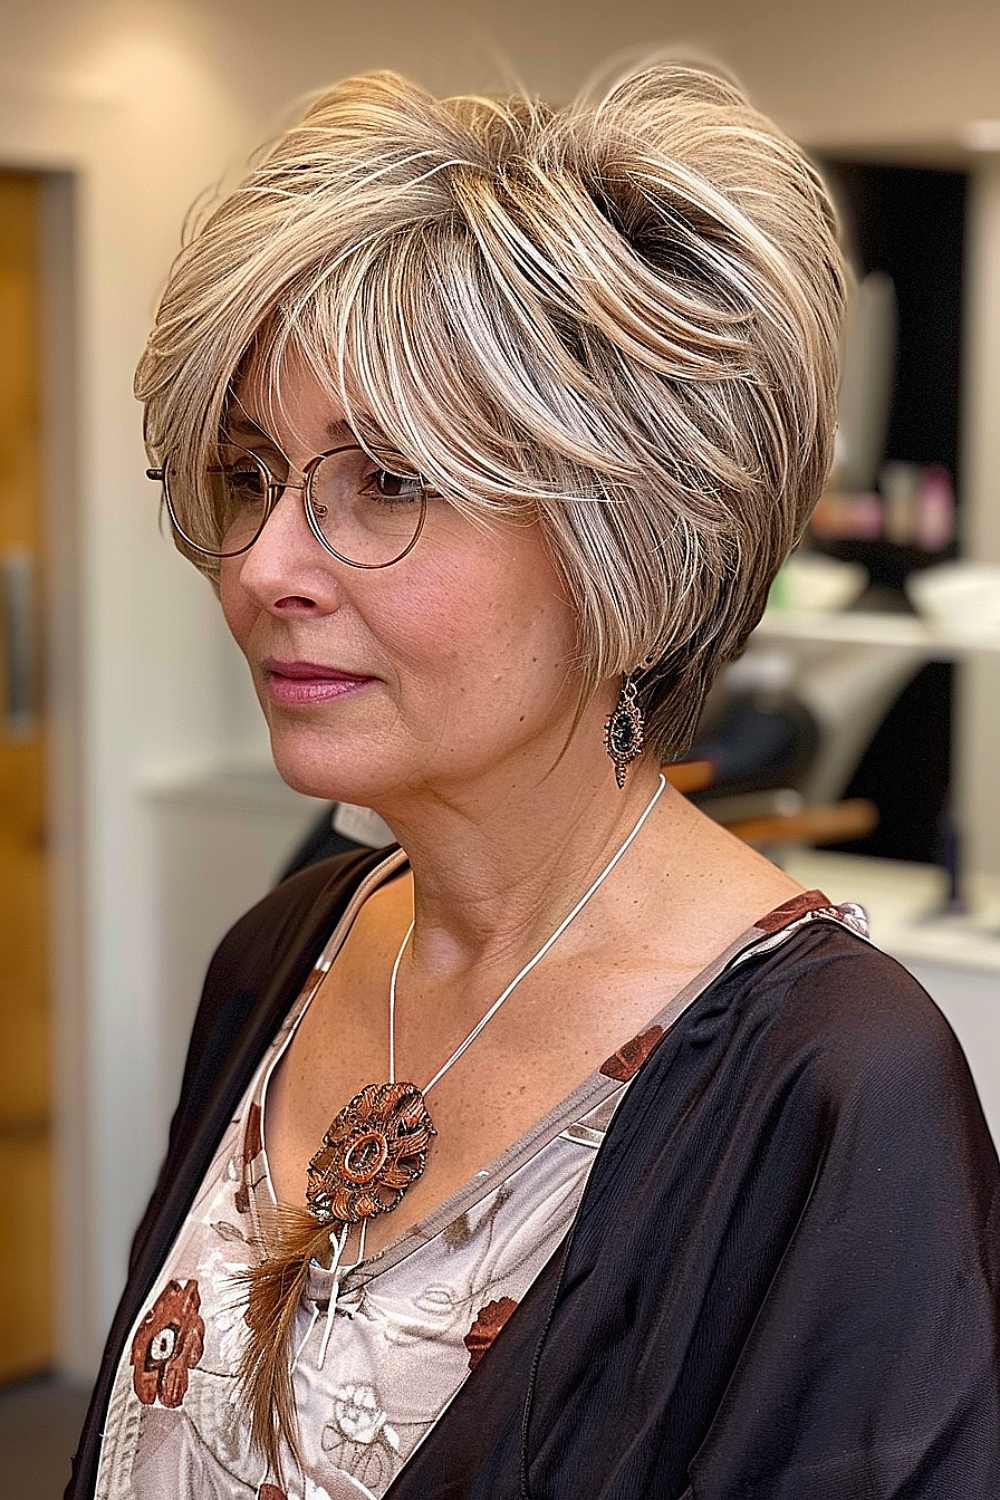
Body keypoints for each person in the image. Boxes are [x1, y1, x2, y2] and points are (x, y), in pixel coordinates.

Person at [69, 62, 999, 1500]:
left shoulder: (831, 1088)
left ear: (636, 549)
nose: (263, 568)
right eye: (252, 475)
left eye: (386, 481)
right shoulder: (285, 952)